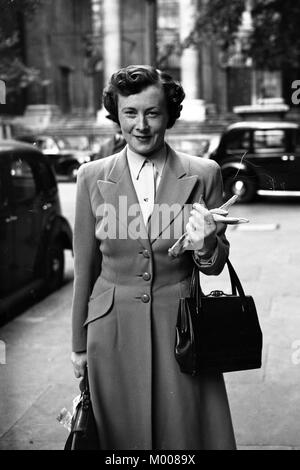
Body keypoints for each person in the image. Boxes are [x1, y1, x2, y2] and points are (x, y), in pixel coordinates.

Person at [71, 65, 237, 450]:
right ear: (117, 115)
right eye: (130, 113)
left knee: (185, 438)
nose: (141, 125)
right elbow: (85, 268)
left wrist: (208, 244)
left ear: (169, 115)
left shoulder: (204, 173)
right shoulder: (90, 177)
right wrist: (78, 344)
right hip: (110, 332)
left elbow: (213, 266)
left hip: (182, 328)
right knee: (120, 441)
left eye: (152, 113)